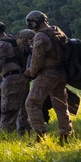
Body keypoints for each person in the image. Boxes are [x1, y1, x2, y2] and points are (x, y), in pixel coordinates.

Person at [23, 10, 73, 144]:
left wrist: (31, 72)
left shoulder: (40, 36)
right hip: (61, 73)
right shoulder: (58, 31)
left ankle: (40, 137)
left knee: (32, 102)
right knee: (61, 105)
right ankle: (65, 136)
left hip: (47, 74)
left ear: (34, 23)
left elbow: (37, 59)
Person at [0, 20, 29, 134]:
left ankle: (5, 136)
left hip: (11, 79)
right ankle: (23, 134)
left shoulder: (1, 44)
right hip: (23, 78)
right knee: (23, 110)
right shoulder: (13, 41)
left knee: (7, 110)